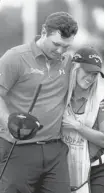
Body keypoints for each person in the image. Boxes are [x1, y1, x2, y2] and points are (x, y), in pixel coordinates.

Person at [0, 12, 78, 193]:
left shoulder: (68, 61)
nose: (60, 51)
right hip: (17, 148)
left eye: (66, 47)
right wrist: (8, 121)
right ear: (44, 32)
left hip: (55, 150)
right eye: (56, 44)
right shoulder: (15, 57)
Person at [61, 46, 104, 193]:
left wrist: (77, 126)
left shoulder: (100, 99)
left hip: (94, 169)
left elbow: (103, 139)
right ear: (75, 68)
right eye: (87, 72)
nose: (91, 78)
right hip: (60, 168)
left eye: (95, 74)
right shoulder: (59, 92)